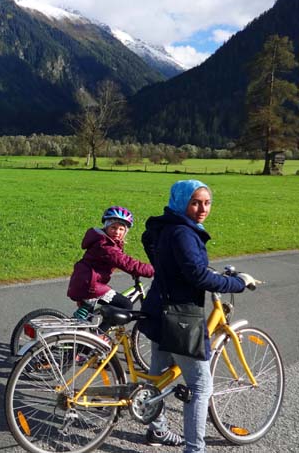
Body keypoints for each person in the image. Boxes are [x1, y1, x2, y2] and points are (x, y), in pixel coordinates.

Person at [139, 180, 257, 451]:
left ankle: (156, 430)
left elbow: (175, 263)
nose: (203, 208)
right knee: (201, 386)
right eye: (195, 202)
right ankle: (195, 449)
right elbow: (197, 274)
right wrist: (237, 283)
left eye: (207, 202)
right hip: (180, 317)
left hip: (158, 308)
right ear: (182, 202)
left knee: (160, 374)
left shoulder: (165, 226)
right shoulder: (183, 232)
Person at [67, 206, 155, 329]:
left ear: (126, 231)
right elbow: (125, 262)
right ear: (106, 227)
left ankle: (84, 342)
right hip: (91, 285)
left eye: (121, 229)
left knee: (85, 319)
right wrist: (153, 269)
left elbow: (122, 259)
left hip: (84, 281)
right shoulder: (105, 245)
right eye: (113, 227)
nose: (117, 232)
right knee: (125, 305)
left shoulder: (104, 241)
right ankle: (101, 336)